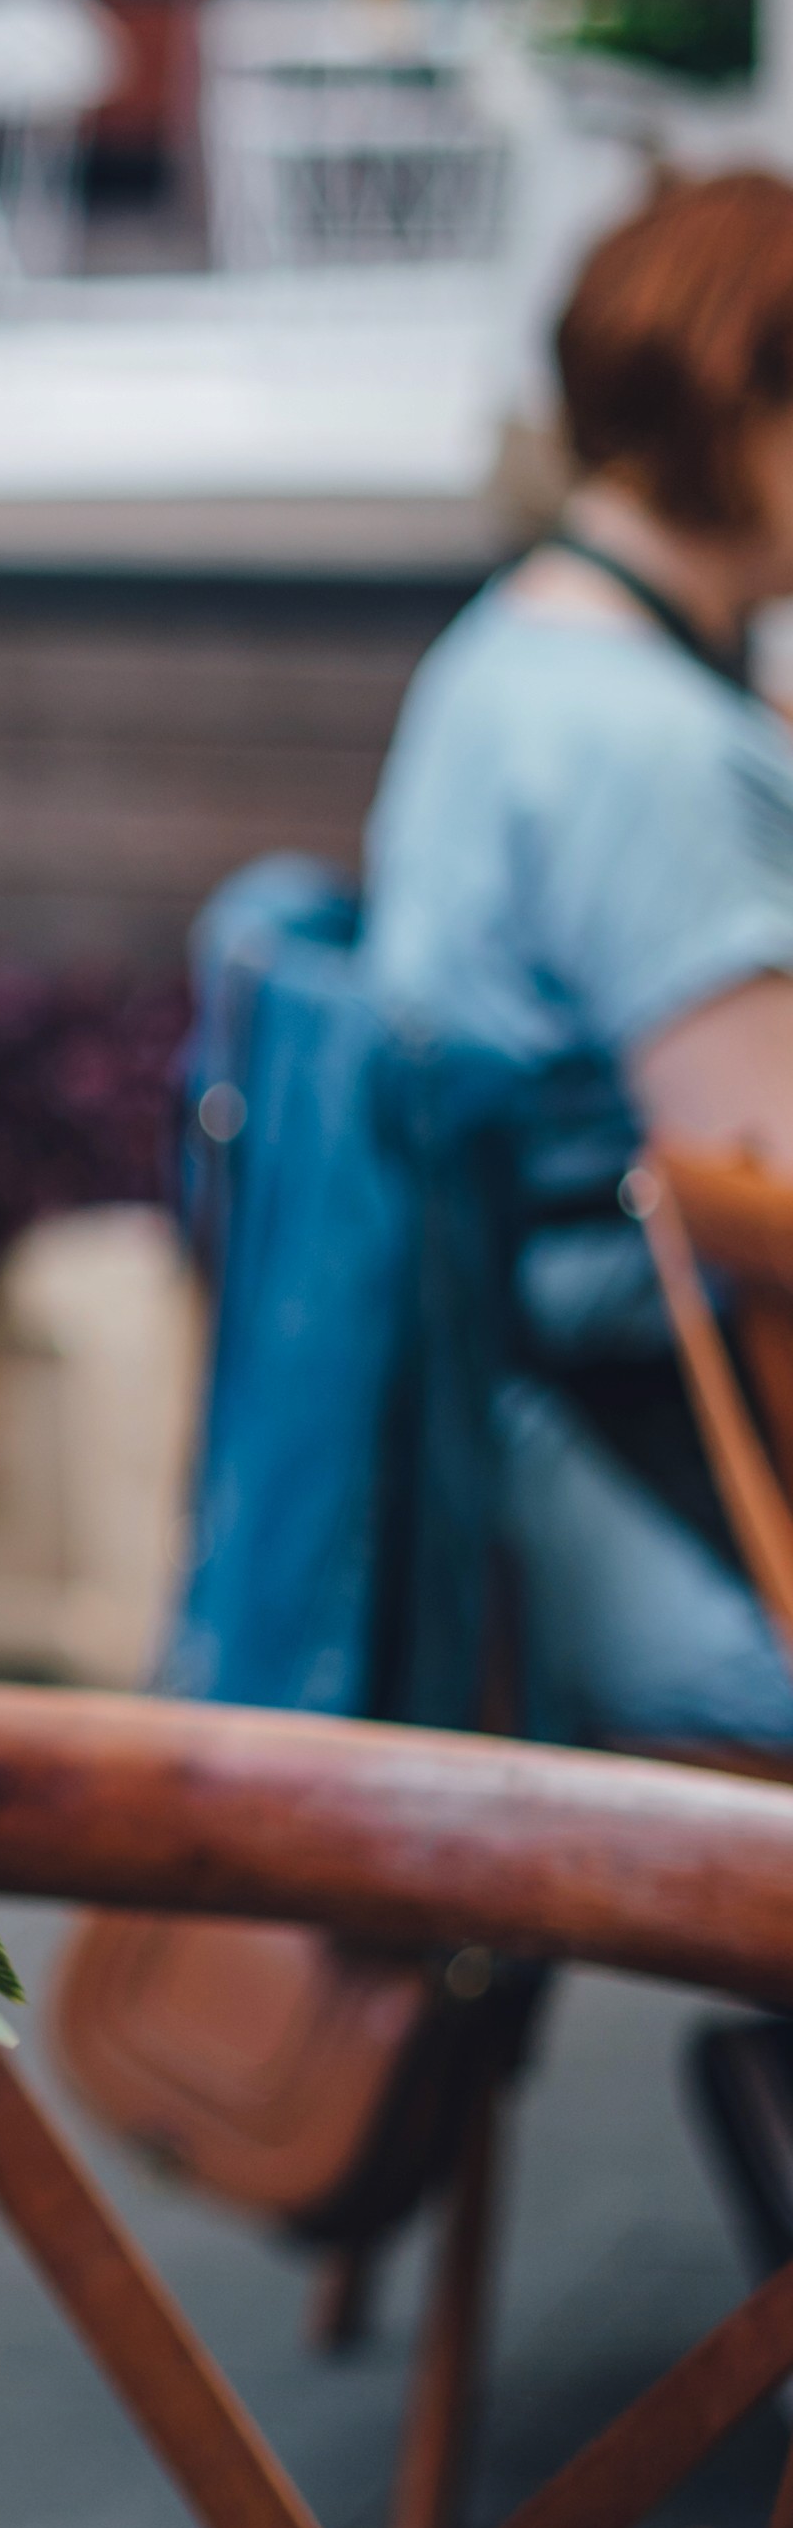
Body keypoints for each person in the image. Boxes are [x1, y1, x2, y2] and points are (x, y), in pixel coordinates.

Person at [360, 163, 793, 1760]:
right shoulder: (644, 750)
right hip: (629, 1462)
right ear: (749, 412)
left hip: (494, 1416)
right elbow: (768, 1187)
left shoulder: (516, 648)